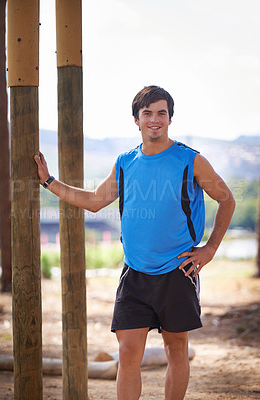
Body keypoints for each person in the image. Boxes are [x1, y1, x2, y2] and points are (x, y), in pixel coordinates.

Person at [34, 85, 235, 400]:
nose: (155, 119)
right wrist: (49, 182)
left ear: (169, 118)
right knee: (128, 353)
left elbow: (226, 198)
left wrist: (210, 249)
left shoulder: (191, 160)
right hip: (135, 272)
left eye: (161, 113)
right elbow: (95, 201)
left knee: (176, 350)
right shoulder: (125, 162)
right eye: (147, 113)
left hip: (177, 270)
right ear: (137, 120)